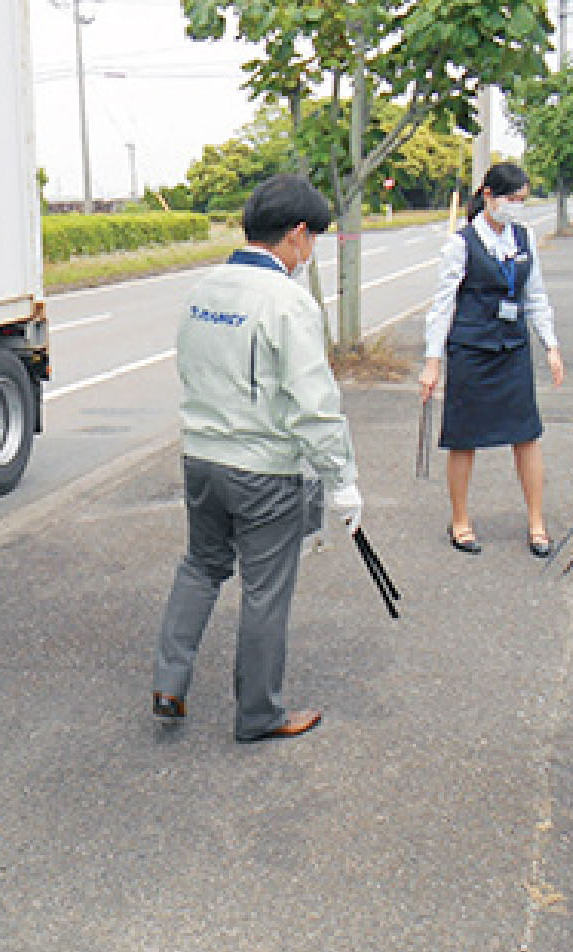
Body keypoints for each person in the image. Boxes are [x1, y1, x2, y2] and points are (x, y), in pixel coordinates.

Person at [150, 173, 361, 743]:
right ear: (296, 235)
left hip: (200, 457)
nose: (309, 250)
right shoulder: (288, 301)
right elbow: (315, 403)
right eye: (311, 238)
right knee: (265, 589)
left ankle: (170, 683)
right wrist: (342, 479)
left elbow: (190, 368)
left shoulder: (202, 290)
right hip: (263, 468)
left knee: (201, 565)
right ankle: (259, 714)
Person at [417, 162, 565, 557]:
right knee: (463, 438)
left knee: (526, 435)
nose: (515, 207)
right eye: (510, 199)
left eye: (521, 200)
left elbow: (535, 295)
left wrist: (550, 344)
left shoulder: (524, 238)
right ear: (487, 196)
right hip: (471, 350)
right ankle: (460, 519)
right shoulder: (461, 244)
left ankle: (536, 522)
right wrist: (432, 363)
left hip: (513, 349)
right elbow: (442, 306)